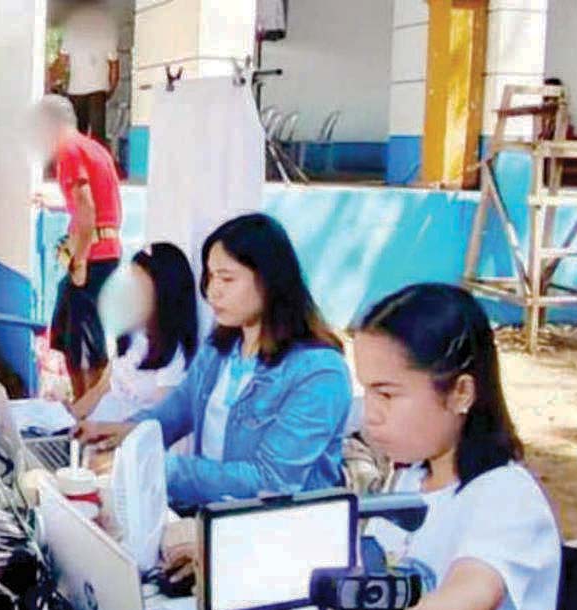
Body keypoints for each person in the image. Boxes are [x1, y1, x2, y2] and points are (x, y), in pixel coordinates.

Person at [355, 283, 560, 610]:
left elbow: (464, 607)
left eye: (387, 393)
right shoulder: (407, 479)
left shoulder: (505, 499)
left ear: (461, 392)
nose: (370, 413)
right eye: (367, 391)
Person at [79, 214, 351, 507]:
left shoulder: (320, 373)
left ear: (270, 280)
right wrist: (118, 432)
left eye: (227, 278)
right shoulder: (220, 349)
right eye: (210, 277)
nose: (212, 291)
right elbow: (175, 413)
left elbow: (271, 480)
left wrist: (158, 466)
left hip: (278, 536)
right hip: (211, 519)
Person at [34, 94, 123, 399]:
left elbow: (86, 209)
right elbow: (93, 203)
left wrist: (79, 261)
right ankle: (83, 403)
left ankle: (91, 408)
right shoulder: (92, 147)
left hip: (92, 256)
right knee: (68, 332)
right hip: (104, 250)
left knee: (85, 341)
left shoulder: (69, 151)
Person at [71, 243, 197, 423]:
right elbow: (99, 390)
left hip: (124, 443)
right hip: (95, 433)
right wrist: (65, 420)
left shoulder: (173, 356)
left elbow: (159, 422)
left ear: (165, 293)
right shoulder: (129, 335)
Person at [56, 1, 120, 146]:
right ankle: (96, 167)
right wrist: (111, 90)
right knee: (98, 138)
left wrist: (57, 83)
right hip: (98, 91)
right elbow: (114, 67)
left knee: (78, 136)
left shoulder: (71, 32)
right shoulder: (106, 32)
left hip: (76, 91)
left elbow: (62, 62)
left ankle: (79, 167)